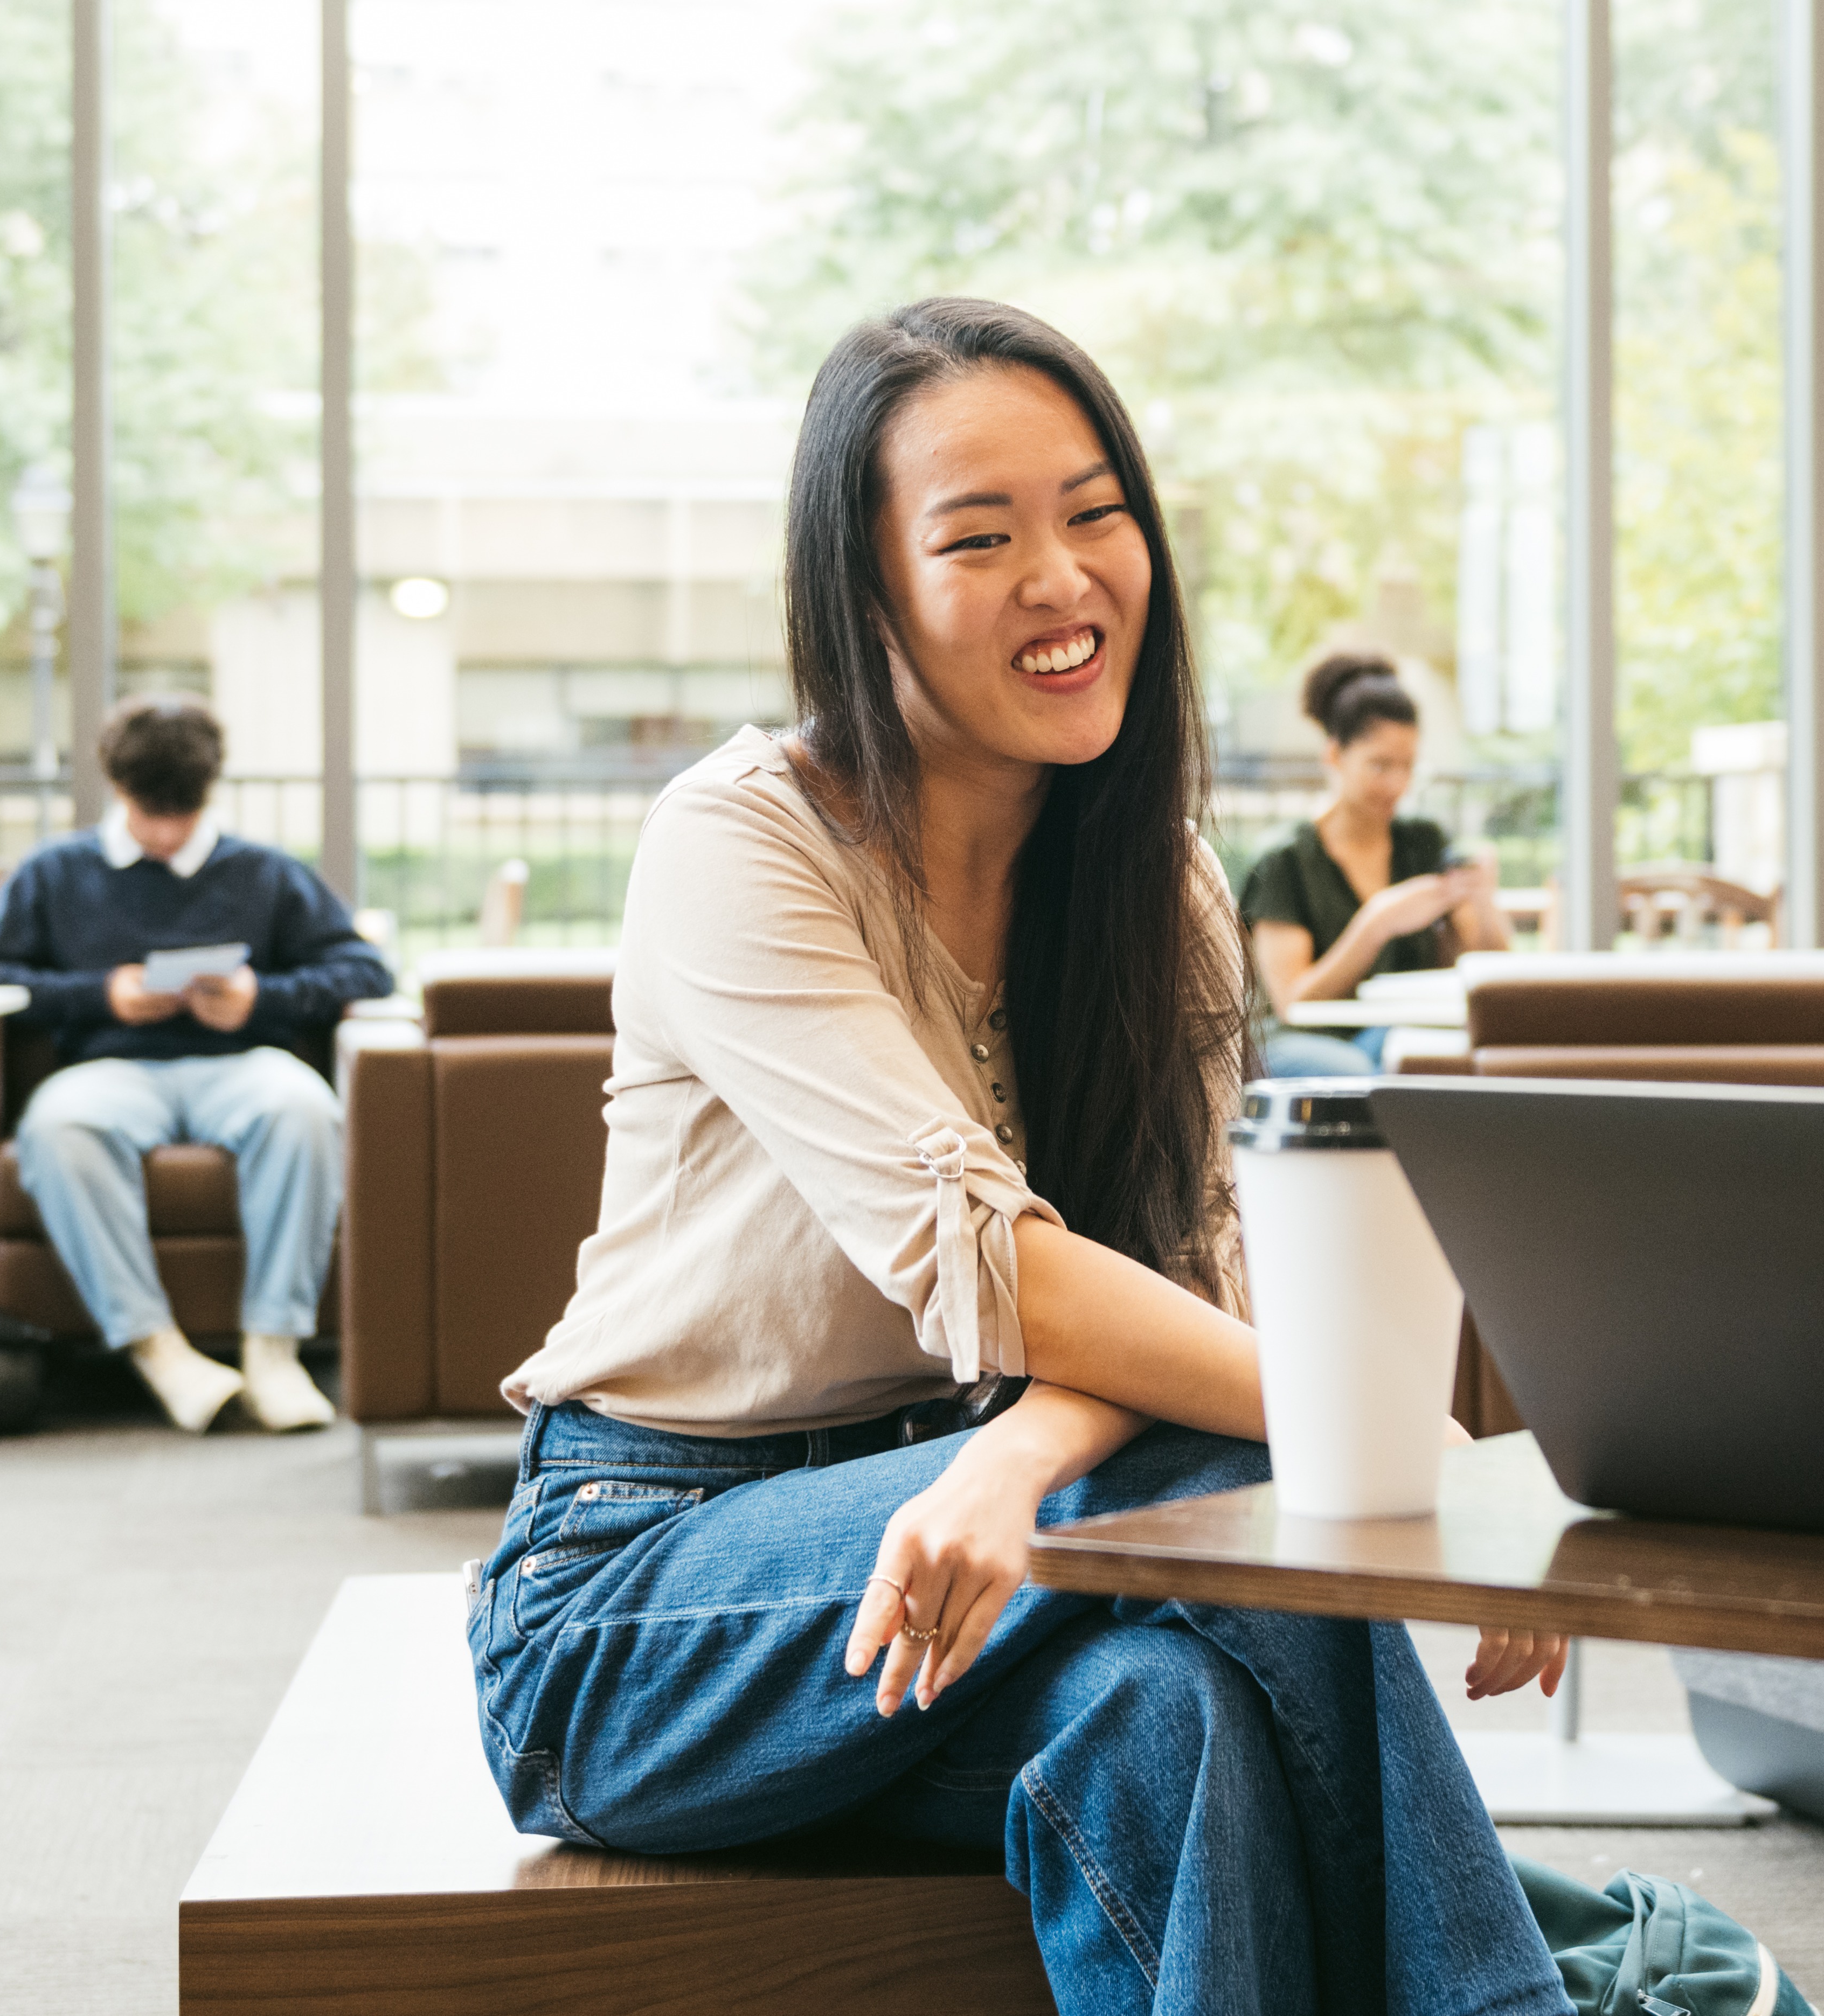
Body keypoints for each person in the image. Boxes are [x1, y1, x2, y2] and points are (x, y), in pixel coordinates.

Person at [468, 297, 1575, 2016]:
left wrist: (1020, 1463)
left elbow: (1170, 1283)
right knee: (1267, 1475)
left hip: (968, 1569)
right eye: (980, 537)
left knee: (1171, 1720)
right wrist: (1395, 1447)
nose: (1061, 577)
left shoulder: (1168, 886)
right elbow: (982, 1255)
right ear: (867, 590)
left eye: (1094, 510)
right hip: (643, 1604)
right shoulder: (741, 841)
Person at [0, 695, 391, 1435]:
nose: (165, 832)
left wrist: (260, 998)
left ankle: (274, 1349)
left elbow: (367, 972)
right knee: (59, 1125)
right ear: (119, 790)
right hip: (111, 1072)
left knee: (304, 1107)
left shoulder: (265, 874)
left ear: (209, 793)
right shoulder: (57, 872)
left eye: (181, 815)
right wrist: (102, 995)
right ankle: (158, 1349)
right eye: (152, 813)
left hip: (242, 1061)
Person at [1237, 654, 1507, 1080]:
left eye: (1408, 767)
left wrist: (1484, 899)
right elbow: (1293, 1003)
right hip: (1306, 1042)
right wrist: (1376, 923)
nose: (1397, 785)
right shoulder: (1283, 862)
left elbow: (1493, 971)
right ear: (1335, 756)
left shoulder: (1423, 843)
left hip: (1392, 1033)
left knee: (1421, 1050)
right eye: (1380, 766)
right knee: (1368, 1069)